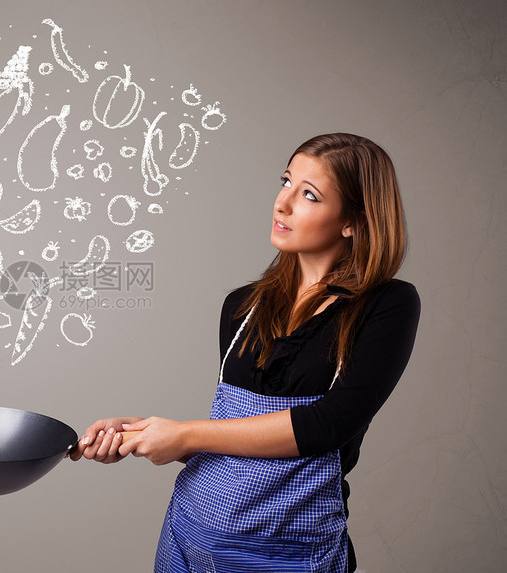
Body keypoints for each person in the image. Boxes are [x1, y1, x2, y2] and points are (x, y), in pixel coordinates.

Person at [72, 133, 420, 572]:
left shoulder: (386, 305)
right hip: (188, 540)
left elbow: (330, 425)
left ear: (352, 220)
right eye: (286, 182)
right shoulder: (241, 305)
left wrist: (184, 434)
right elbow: (234, 437)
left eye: (309, 195)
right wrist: (143, 432)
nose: (283, 203)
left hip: (289, 553)